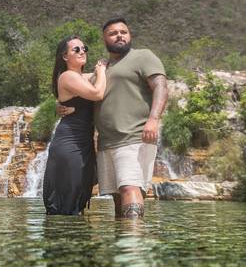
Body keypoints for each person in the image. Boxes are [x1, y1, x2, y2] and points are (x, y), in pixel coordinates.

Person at [58, 18, 168, 219]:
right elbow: (74, 85)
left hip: (134, 137)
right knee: (117, 198)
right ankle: (124, 245)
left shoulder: (143, 57)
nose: (119, 35)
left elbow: (161, 86)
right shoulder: (104, 68)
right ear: (104, 39)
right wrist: (63, 105)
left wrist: (153, 119)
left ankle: (133, 246)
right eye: (113, 33)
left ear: (130, 35)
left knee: (129, 188)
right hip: (106, 143)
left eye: (123, 32)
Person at [42, 36, 107, 215]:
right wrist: (101, 70)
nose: (82, 51)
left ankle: (72, 240)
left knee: (76, 196)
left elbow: (89, 79)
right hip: (70, 143)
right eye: (76, 49)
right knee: (67, 197)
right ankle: (64, 239)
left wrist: (100, 68)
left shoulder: (80, 77)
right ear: (64, 56)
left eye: (84, 48)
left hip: (83, 143)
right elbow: (97, 93)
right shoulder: (68, 76)